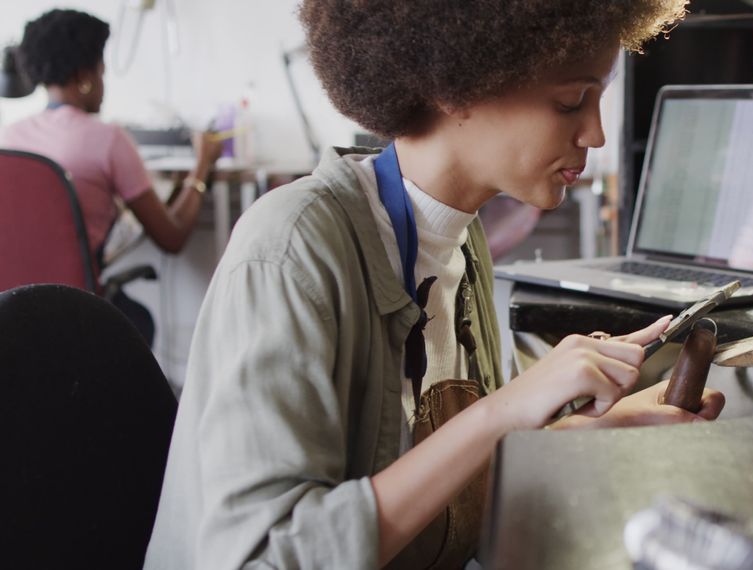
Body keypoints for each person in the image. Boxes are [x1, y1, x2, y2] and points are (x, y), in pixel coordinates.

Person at [145, 1, 719, 568]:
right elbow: (266, 558)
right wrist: (503, 410)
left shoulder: (461, 243)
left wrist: (585, 431)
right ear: (456, 86)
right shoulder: (290, 249)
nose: (594, 133)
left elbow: (448, 491)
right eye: (571, 101)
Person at [0, 9, 222, 343]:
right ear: (86, 76)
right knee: (139, 320)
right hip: (76, 310)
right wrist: (203, 163)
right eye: (102, 72)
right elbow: (172, 238)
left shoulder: (8, 137)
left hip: (12, 311)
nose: (104, 85)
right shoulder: (108, 139)